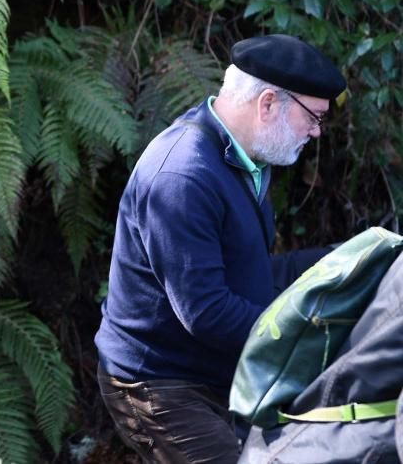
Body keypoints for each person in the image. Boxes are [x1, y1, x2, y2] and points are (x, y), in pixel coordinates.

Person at [94, 34, 347, 464]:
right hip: (159, 384)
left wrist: (350, 260)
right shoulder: (183, 176)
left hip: (215, 371)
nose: (317, 132)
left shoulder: (244, 159)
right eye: (313, 116)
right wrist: (312, 337)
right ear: (268, 103)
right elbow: (208, 313)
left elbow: (252, 275)